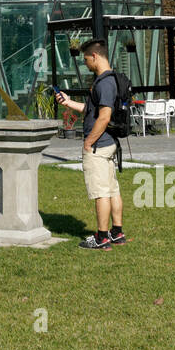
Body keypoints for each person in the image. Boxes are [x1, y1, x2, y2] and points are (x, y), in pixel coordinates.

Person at [55, 38, 125, 250]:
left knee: (100, 192)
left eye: (86, 59)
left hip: (99, 145)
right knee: (112, 189)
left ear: (94, 56)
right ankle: (117, 232)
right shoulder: (110, 80)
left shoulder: (103, 83)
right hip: (109, 143)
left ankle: (102, 237)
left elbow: (104, 117)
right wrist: (68, 102)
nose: (85, 64)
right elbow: (91, 109)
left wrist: (89, 141)